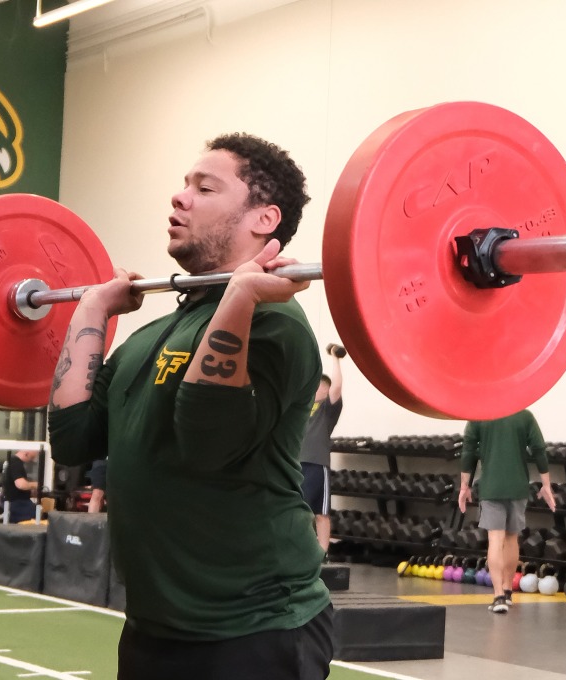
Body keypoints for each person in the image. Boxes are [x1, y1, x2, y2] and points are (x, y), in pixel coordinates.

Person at [47, 133, 333, 679]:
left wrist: (242, 298)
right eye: (183, 186)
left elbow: (208, 443)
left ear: (264, 218)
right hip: (155, 627)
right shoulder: (153, 333)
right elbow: (72, 439)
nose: (180, 198)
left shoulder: (277, 326)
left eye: (205, 187)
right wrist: (91, 310)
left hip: (254, 627)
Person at [458, 409, 555, 614]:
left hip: (492, 488)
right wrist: (546, 485)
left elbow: (468, 451)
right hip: (518, 487)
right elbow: (539, 448)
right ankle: (508, 591)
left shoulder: (479, 414)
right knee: (512, 539)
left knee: (495, 539)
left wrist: (464, 486)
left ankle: (498, 596)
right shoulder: (525, 415)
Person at [299, 343, 344, 555]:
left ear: (324, 389)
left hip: (317, 465)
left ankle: (322, 552)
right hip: (296, 464)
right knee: (297, 511)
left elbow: (336, 387)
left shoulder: (327, 410)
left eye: (317, 385)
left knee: (320, 513)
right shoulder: (303, 409)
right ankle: (299, 551)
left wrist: (335, 358)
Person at [2, 449, 39, 523]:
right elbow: (21, 484)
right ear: (26, 452)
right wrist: (36, 485)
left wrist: (30, 492)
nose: (32, 460)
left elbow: (12, 486)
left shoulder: (10, 462)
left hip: (13, 502)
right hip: (19, 505)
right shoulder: (16, 463)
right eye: (32, 457)